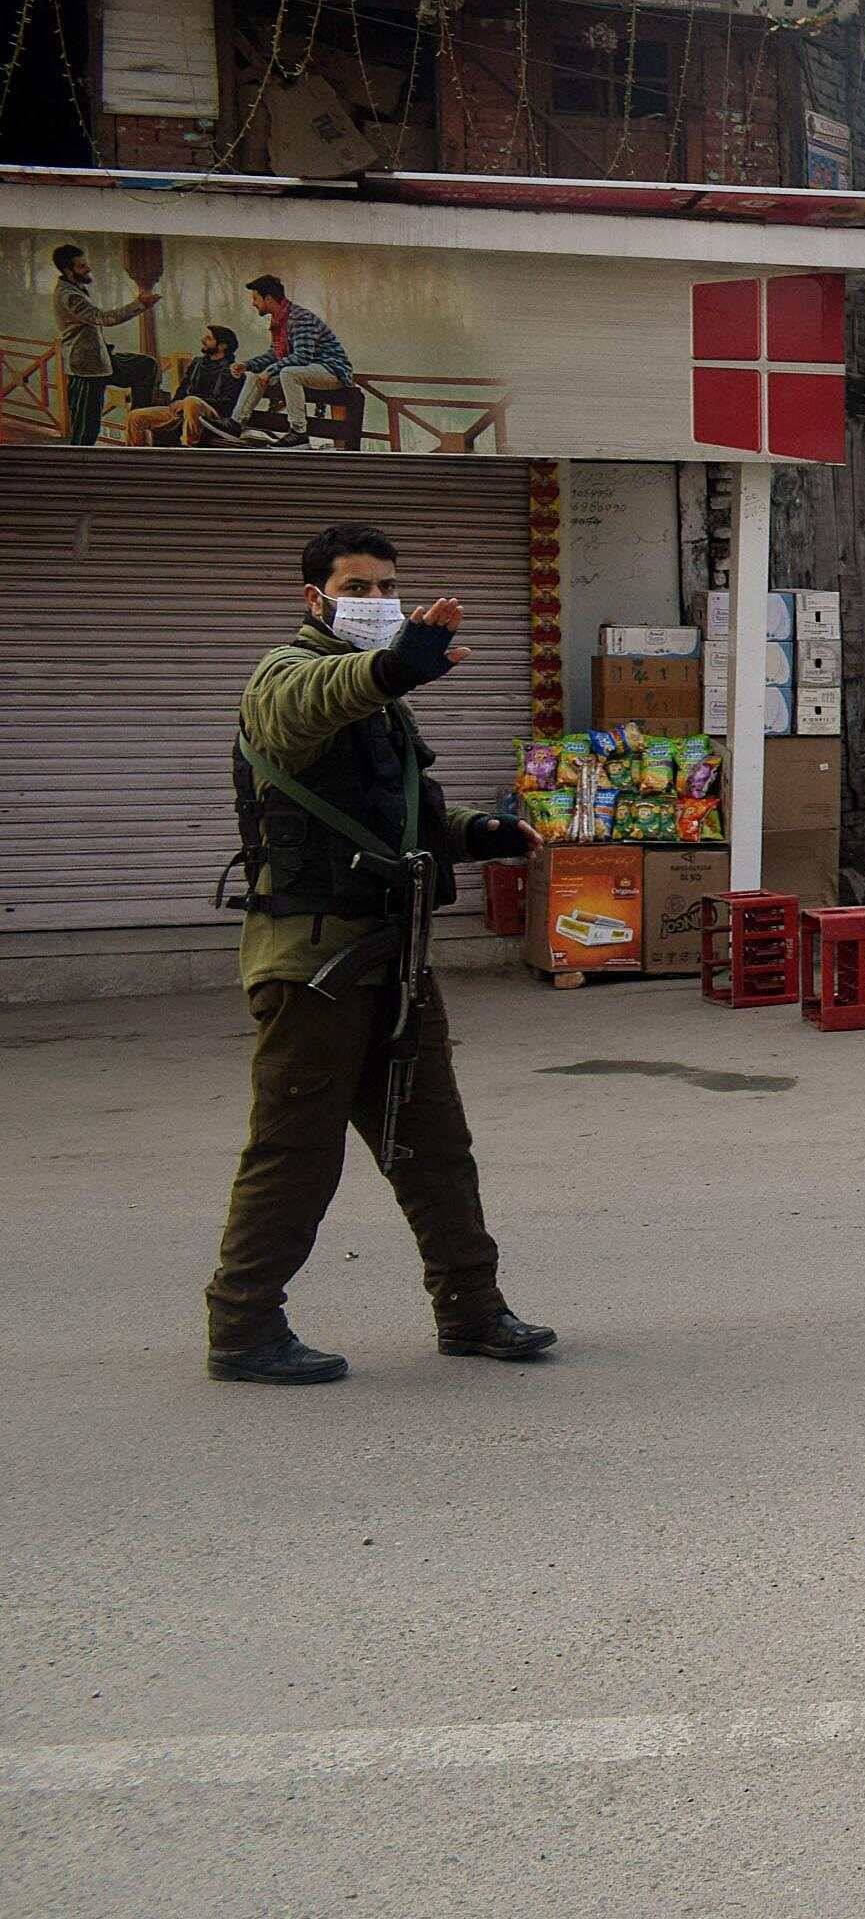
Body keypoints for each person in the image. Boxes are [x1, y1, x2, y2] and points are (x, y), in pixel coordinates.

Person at [207, 523, 553, 1385]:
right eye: (356, 588)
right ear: (314, 598)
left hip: (392, 957)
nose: (375, 601)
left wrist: (480, 832)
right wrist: (393, 668)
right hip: (312, 965)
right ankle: (243, 1327)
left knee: (435, 1146)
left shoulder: (383, 700)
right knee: (295, 1152)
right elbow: (319, 698)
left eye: (386, 587)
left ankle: (472, 1310)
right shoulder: (285, 677)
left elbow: (398, 813)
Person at [51, 242, 158, 446]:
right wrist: (141, 304)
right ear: (68, 270)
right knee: (86, 428)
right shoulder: (70, 296)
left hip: (99, 361)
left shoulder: (75, 287)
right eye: (82, 266)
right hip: (87, 369)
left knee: (146, 365)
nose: (88, 268)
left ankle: (137, 421)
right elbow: (104, 318)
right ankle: (80, 462)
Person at [237, 274, 356, 442]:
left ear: (268, 298)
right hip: (310, 370)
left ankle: (299, 433)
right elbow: (274, 355)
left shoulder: (300, 318)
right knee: (254, 376)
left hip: (332, 370)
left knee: (288, 373)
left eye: (255, 298)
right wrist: (248, 365)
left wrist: (270, 371)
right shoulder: (279, 321)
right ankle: (236, 423)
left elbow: (302, 356)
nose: (253, 303)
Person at [123, 323, 249, 447]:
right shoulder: (197, 363)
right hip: (183, 410)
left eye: (208, 338)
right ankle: (137, 457)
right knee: (135, 416)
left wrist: (187, 403)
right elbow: (183, 388)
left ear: (222, 346)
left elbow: (225, 405)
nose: (203, 340)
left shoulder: (234, 372)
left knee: (192, 401)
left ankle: (188, 446)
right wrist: (177, 402)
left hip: (212, 417)